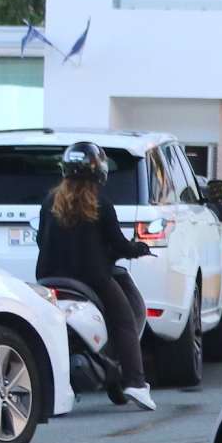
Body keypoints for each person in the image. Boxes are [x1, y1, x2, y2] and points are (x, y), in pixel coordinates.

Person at [35, 141, 157, 410]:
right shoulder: (101, 203)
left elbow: (40, 240)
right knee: (125, 321)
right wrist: (139, 249)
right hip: (92, 280)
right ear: (99, 171)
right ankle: (136, 384)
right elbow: (119, 245)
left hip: (49, 279)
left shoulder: (49, 202)